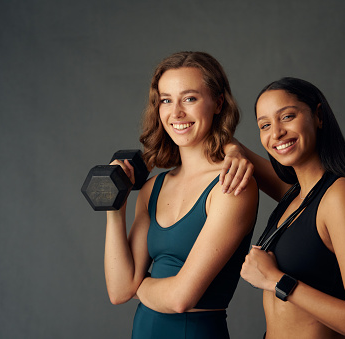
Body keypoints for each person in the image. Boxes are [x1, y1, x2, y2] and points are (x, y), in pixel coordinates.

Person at [104, 51, 258, 339]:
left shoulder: (232, 184)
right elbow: (118, 290)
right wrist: (116, 207)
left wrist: (140, 287)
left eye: (189, 98)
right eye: (166, 100)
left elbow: (180, 298)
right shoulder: (152, 188)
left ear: (218, 103)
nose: (175, 114)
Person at [222, 77, 345, 339]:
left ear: (318, 116)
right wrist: (232, 149)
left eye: (287, 116)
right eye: (265, 125)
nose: (276, 133)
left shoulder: (340, 196)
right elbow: (231, 148)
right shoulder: (295, 196)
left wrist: (276, 280)